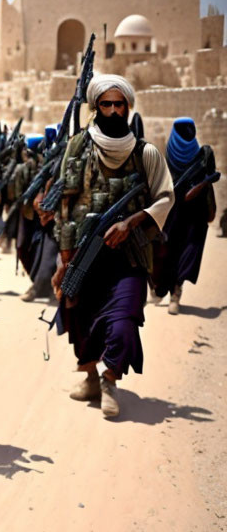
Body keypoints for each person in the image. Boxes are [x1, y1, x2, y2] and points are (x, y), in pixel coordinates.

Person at [52, 74, 173, 418]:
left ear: (128, 107)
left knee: (123, 321)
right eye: (106, 104)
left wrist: (131, 222)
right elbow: (65, 203)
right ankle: (90, 375)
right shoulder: (78, 147)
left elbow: (165, 197)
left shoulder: (145, 152)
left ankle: (109, 379)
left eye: (120, 104)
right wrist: (63, 258)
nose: (114, 110)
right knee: (81, 318)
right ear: (95, 107)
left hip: (128, 255)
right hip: (83, 253)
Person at [151, 117, 219, 314]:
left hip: (195, 217)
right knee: (167, 256)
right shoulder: (167, 156)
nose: (187, 136)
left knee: (187, 256)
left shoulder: (201, 156)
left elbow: (204, 182)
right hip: (172, 216)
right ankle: (162, 289)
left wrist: (203, 184)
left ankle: (175, 293)